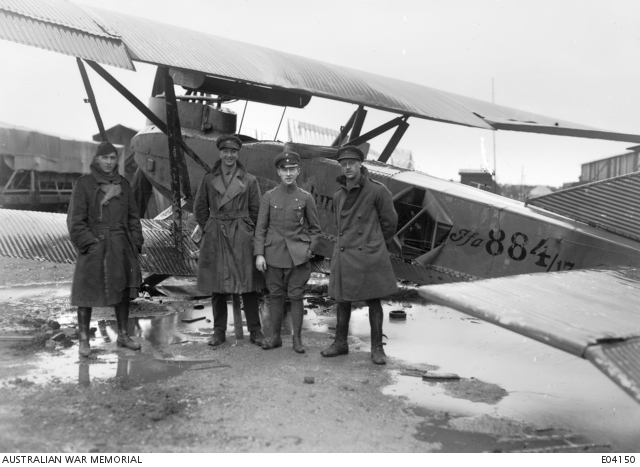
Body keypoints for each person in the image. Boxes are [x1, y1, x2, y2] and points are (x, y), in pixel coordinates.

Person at [321, 145, 398, 364]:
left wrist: (374, 243)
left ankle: (377, 348)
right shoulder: (338, 195)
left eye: (351, 164)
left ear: (360, 164)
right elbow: (339, 224)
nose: (347, 168)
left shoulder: (377, 190)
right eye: (343, 165)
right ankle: (340, 343)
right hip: (345, 252)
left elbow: (390, 222)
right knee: (342, 300)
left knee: (374, 300)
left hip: (368, 253)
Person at [67, 141, 144, 358]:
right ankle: (84, 341)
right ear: (96, 159)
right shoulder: (84, 184)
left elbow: (133, 217)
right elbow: (75, 221)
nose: (109, 162)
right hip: (94, 246)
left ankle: (122, 335)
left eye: (113, 158)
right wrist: (89, 244)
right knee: (86, 293)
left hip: (120, 244)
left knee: (122, 291)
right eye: (105, 158)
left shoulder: (124, 185)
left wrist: (135, 243)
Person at [194, 135, 265, 347]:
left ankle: (256, 330)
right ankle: (218, 331)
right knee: (218, 285)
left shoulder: (249, 180)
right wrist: (211, 227)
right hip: (216, 234)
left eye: (233, 151)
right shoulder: (208, 179)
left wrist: (246, 230)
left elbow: (257, 212)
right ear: (220, 153)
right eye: (225, 151)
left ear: (238, 154)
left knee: (249, 284)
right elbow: (200, 209)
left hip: (242, 236)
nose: (229, 155)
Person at [254, 151, 321, 353]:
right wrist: (259, 254)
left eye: (293, 169)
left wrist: (309, 251)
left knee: (297, 297)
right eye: (285, 169)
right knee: (275, 295)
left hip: (298, 257)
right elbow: (261, 228)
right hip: (273, 255)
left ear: (298, 171)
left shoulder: (305, 198)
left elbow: (316, 230)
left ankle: (297, 339)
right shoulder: (269, 196)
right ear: (278, 172)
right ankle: (275, 337)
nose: (289, 173)